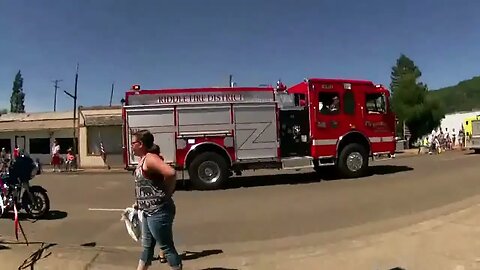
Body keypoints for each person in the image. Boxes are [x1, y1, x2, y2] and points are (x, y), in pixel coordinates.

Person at [131, 129, 182, 270]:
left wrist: (167, 191)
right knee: (147, 247)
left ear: (140, 144)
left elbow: (171, 173)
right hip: (148, 211)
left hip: (159, 211)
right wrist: (139, 203)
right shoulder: (142, 160)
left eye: (133, 143)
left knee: (166, 247)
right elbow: (147, 186)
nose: (131, 146)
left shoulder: (150, 158)